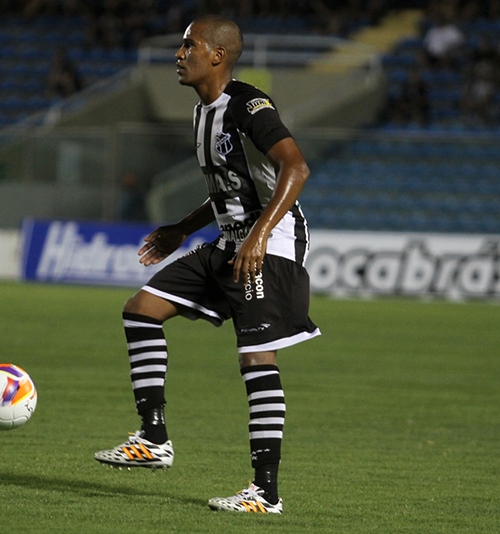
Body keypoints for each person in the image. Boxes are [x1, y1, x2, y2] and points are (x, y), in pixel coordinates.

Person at [93, 15, 320, 515]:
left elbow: (295, 167)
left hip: (272, 242)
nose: (179, 54)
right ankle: (153, 439)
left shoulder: (249, 105)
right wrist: (183, 227)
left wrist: (258, 236)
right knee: (142, 308)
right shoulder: (202, 114)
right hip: (231, 239)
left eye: (188, 45)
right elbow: (228, 188)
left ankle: (265, 493)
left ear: (216, 55)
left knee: (257, 358)